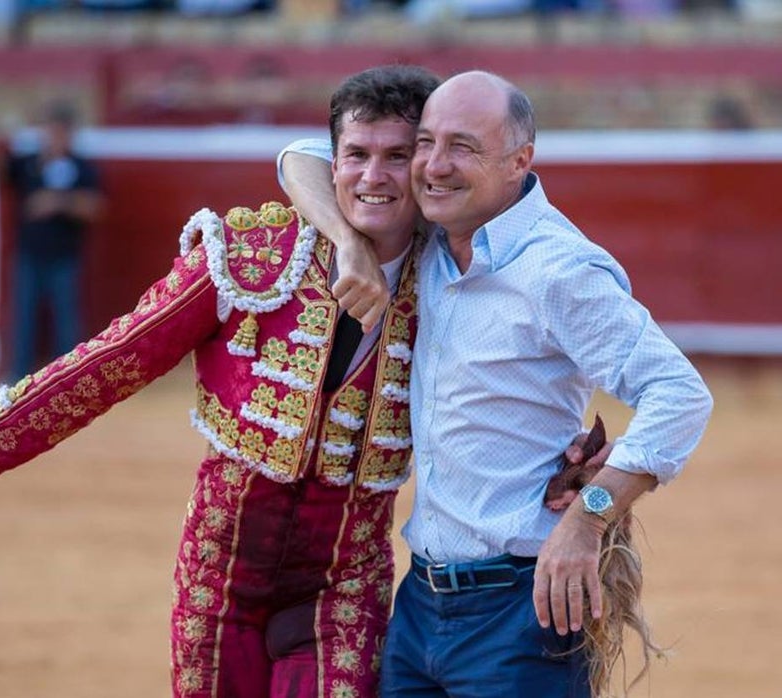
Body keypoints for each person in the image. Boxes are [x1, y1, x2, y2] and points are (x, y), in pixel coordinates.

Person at [0, 65, 441, 698]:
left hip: (344, 588)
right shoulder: (249, 257)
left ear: (424, 164)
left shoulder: (451, 282)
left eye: (397, 156)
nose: (373, 176)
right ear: (334, 162)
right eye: (356, 155)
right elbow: (105, 365)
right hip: (220, 587)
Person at [278, 70, 714, 696]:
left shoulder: (558, 269)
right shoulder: (434, 235)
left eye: (463, 146)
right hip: (421, 600)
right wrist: (348, 241)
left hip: (525, 609)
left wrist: (589, 518)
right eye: (425, 143)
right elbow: (302, 157)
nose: (434, 165)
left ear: (520, 161)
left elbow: (679, 394)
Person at [3, 101, 103, 382]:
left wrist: (57, 201)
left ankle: (68, 380)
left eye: (61, 132)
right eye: (51, 131)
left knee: (66, 324)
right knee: (24, 322)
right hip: (30, 254)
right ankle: (17, 382)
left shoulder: (82, 168)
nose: (56, 138)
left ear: (70, 134)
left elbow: (95, 206)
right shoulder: (28, 163)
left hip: (64, 256)